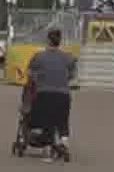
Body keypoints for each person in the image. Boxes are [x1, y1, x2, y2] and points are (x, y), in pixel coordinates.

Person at [26, 28, 77, 157]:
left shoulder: (39, 57)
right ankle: (64, 143)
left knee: (46, 120)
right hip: (63, 95)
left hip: (44, 94)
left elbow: (31, 73)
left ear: (48, 40)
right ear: (60, 41)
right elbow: (72, 75)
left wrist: (39, 80)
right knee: (62, 120)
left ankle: (47, 148)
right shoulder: (68, 57)